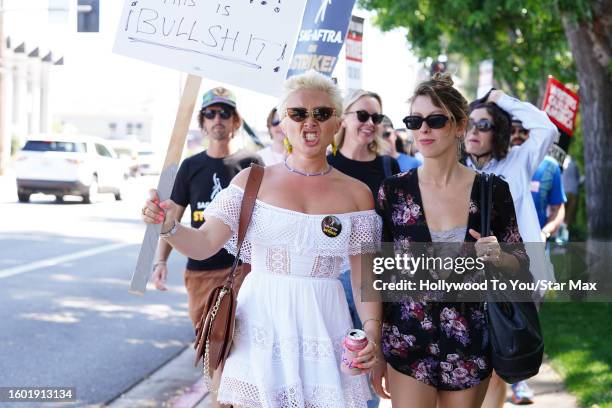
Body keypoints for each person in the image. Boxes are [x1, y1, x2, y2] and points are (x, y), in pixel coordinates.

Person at [142, 71, 386, 407]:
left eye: (322, 113)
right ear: (283, 123)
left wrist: (372, 333)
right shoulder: (251, 181)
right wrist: (169, 227)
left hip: (325, 326)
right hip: (260, 324)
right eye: (298, 113)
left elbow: (365, 281)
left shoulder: (358, 195)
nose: (309, 123)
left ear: (337, 123)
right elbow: (204, 243)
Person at [377, 73, 529, 408]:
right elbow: (379, 274)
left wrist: (498, 256)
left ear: (460, 126)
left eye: (434, 120)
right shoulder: (394, 191)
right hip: (407, 337)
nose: (423, 130)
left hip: (470, 339)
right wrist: (374, 347)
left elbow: (521, 261)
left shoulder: (492, 190)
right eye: (415, 121)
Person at [148, 86, 263, 407]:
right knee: (213, 348)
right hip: (200, 274)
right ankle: (220, 401)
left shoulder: (251, 164)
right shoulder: (190, 167)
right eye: (211, 113)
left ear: (236, 120)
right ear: (202, 121)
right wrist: (159, 262)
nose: (217, 119)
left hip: (242, 269)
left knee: (242, 349)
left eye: (225, 112)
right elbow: (173, 218)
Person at [465, 92, 558, 408]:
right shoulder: (453, 169)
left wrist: (501, 99)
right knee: (465, 366)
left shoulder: (518, 161)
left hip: (516, 277)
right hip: (467, 283)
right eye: (469, 124)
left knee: (498, 367)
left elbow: (547, 129)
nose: (473, 132)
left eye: (484, 124)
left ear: (499, 131)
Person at [326, 90, 399, 408]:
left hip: (375, 281)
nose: (370, 123)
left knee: (367, 371)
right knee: (328, 373)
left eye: (377, 117)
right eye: (363, 115)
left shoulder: (388, 166)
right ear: (343, 117)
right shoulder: (325, 165)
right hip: (330, 281)